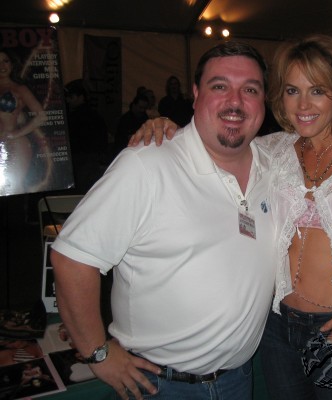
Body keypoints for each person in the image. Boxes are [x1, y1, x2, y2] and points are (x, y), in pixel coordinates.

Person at [132, 34, 332, 398]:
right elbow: (212, 143)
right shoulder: (271, 149)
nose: (303, 104)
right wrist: (165, 127)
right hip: (277, 328)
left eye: (317, 90)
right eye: (292, 91)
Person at [51, 41, 275, 400]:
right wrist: (98, 352)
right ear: (196, 95)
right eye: (220, 86)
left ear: (264, 100)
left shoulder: (275, 162)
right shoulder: (147, 165)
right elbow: (72, 258)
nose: (235, 102)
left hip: (238, 378)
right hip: (161, 386)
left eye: (250, 89)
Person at [0, 48, 49, 196]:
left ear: (12, 64)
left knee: (15, 188)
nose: (2, 65)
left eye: (5, 61)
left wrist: (16, 134)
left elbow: (41, 116)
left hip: (14, 143)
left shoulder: (19, 89)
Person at [64, 79, 109, 193]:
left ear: (81, 97)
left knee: (80, 190)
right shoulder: (94, 115)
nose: (68, 100)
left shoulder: (74, 116)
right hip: (89, 160)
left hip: (81, 161)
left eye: (71, 97)